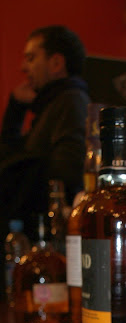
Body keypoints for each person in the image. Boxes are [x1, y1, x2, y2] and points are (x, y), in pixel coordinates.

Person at [0, 25, 89, 242]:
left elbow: (65, 177)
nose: (23, 67)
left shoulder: (70, 101)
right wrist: (15, 110)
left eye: (31, 58)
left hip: (49, 237)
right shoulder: (53, 104)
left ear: (56, 63)